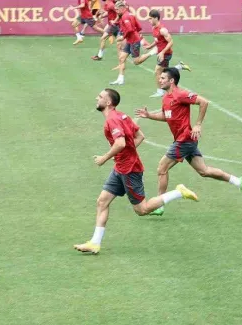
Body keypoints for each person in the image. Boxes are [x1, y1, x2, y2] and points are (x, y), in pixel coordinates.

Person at [74, 89, 198, 254]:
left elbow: (120, 143)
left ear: (108, 102)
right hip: (121, 167)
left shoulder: (112, 120)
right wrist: (125, 153)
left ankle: (178, 192)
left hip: (129, 169)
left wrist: (104, 158)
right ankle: (95, 243)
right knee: (102, 201)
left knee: (142, 209)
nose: (97, 98)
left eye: (101, 97)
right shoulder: (122, 116)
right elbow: (140, 136)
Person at [135, 68, 242, 216]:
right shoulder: (166, 98)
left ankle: (159, 205)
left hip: (184, 140)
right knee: (204, 171)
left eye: (163, 78)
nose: (160, 80)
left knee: (162, 169)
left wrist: (198, 124)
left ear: (172, 81)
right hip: (187, 141)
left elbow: (204, 102)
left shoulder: (180, 94)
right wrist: (149, 115)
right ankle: (238, 181)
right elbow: (166, 116)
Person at [135, 9, 191, 97]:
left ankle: (160, 92)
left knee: (158, 71)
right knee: (165, 72)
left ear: (156, 18)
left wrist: (162, 52)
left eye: (150, 18)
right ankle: (180, 66)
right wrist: (150, 46)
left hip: (165, 54)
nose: (149, 20)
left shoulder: (162, 30)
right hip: (160, 52)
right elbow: (157, 40)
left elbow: (171, 42)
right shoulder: (154, 28)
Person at [109, 1, 144, 86]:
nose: (116, 11)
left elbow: (130, 29)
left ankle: (152, 52)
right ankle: (120, 79)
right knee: (121, 58)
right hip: (130, 40)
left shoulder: (125, 16)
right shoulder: (130, 15)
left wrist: (123, 37)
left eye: (117, 9)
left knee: (136, 61)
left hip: (134, 41)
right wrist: (116, 23)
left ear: (122, 8)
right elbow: (139, 27)